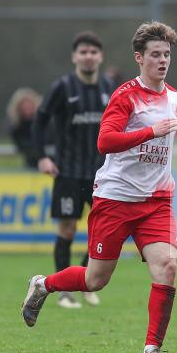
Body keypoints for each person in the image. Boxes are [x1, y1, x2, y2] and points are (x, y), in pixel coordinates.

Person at [21, 21, 177, 353]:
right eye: (155, 54)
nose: (163, 60)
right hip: (115, 199)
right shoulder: (125, 95)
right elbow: (105, 141)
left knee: (167, 267)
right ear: (139, 58)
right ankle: (43, 284)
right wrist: (150, 131)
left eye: (167, 54)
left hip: (156, 201)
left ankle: (151, 350)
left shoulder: (175, 99)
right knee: (95, 280)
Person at [32, 31, 115, 309]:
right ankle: (64, 292)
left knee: (105, 231)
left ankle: (87, 283)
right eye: (83, 52)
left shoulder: (110, 87)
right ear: (74, 57)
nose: (88, 56)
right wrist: (42, 157)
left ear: (101, 57)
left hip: (102, 174)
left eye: (93, 52)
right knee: (67, 229)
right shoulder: (62, 87)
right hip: (67, 171)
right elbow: (39, 121)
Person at [6, 87, 43, 169]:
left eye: (29, 105)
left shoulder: (44, 123)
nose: (27, 108)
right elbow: (20, 144)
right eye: (24, 106)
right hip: (30, 163)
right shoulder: (15, 126)